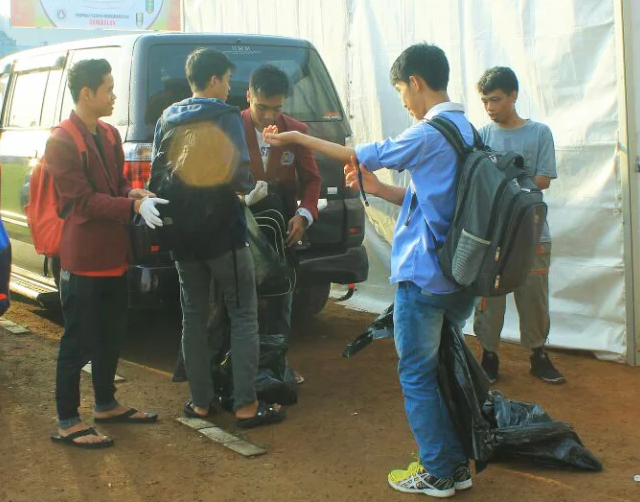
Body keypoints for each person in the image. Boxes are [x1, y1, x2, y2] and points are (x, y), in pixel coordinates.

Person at [266, 43, 475, 497]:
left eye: (401, 89)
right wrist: (379, 189)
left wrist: (297, 138)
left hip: (424, 274)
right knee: (441, 367)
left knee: (417, 373)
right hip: (459, 273)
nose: (402, 98)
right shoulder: (466, 130)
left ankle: (437, 471)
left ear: (416, 82)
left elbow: (356, 154)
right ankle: (455, 465)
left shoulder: (428, 132)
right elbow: (434, 201)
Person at [157, 48, 286, 428]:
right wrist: (253, 188)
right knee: (243, 311)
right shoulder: (225, 115)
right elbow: (238, 172)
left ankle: (200, 402)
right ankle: (246, 406)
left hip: (181, 232)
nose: (230, 88)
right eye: (228, 80)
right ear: (214, 80)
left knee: (193, 314)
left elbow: (155, 171)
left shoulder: (167, 116)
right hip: (223, 232)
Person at [44, 59, 164, 450]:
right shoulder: (61, 140)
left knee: (112, 334)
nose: (114, 95)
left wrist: (134, 194)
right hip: (83, 260)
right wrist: (129, 207)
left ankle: (106, 404)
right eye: (109, 89)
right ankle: (67, 420)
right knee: (78, 341)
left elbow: (113, 186)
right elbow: (79, 202)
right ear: (86, 93)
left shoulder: (109, 135)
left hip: (114, 254)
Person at [471, 66, 564, 385]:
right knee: (489, 297)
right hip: (492, 234)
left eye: (495, 100)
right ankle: (489, 356)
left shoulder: (539, 133)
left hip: (532, 230)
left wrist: (504, 187)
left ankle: (538, 355)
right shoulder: (481, 136)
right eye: (484, 102)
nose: (490, 108)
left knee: (534, 296)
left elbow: (543, 179)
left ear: (514, 95)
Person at [241, 64, 322, 384]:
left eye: (277, 108)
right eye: (262, 107)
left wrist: (304, 216)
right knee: (241, 302)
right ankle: (241, 369)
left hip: (280, 232)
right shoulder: (231, 126)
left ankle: (277, 366)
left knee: (280, 299)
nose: (270, 117)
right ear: (249, 97)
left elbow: (313, 181)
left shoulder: (295, 130)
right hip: (242, 228)